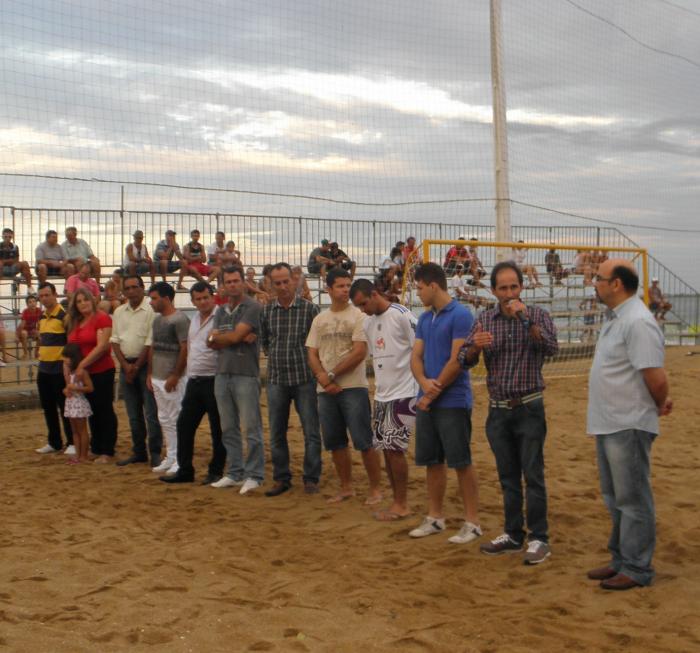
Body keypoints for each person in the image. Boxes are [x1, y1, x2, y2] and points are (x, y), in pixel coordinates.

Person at [459, 261, 558, 564]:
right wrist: (475, 347)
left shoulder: (538, 315)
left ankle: (539, 538)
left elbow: (552, 349)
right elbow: (464, 360)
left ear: (521, 287)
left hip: (529, 406)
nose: (509, 292)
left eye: (513, 286)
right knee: (507, 476)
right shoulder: (484, 320)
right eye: (502, 288)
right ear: (493, 290)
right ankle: (514, 534)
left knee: (533, 475)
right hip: (498, 410)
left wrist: (527, 321)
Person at [586, 259, 672, 591]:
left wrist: (657, 403)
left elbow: (655, 375)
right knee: (614, 496)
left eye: (599, 278)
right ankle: (622, 559)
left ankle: (637, 567)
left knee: (632, 497)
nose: (595, 283)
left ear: (617, 284)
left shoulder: (637, 321)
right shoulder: (618, 318)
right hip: (610, 423)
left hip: (628, 422)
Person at [408, 263, 481, 544]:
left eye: (419, 287)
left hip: (452, 400)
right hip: (428, 399)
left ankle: (472, 522)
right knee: (432, 461)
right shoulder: (426, 318)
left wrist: (430, 392)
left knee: (461, 461)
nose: (418, 292)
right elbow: (416, 357)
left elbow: (457, 360)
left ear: (433, 285)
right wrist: (424, 384)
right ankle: (435, 517)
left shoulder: (461, 315)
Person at [306, 268, 382, 505]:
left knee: (363, 440)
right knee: (335, 441)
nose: (345, 290)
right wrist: (322, 378)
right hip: (326, 390)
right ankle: (346, 487)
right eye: (340, 286)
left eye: (348, 285)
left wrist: (329, 375)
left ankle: (375, 489)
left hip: (353, 387)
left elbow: (360, 352)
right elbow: (312, 352)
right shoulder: (320, 319)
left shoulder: (359, 316)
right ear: (328, 289)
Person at [351, 279, 418, 521]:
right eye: (358, 306)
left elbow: (420, 348)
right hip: (381, 393)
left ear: (375, 293)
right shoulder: (368, 323)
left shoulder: (402, 315)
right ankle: (396, 501)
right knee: (386, 450)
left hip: (405, 391)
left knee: (395, 450)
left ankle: (402, 504)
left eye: (364, 303)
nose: (362, 309)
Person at [260, 263, 322, 496]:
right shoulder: (266, 311)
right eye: (278, 283)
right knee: (276, 432)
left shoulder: (309, 310)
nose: (283, 286)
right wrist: (276, 357)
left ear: (294, 280)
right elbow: (265, 341)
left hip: (305, 378)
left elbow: (317, 345)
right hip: (276, 379)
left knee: (311, 431)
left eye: (286, 281)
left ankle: (311, 478)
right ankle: (282, 477)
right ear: (271, 284)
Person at [160, 281, 226, 485]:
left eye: (206, 297)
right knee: (184, 425)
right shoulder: (194, 318)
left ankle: (216, 471)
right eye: (198, 299)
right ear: (193, 301)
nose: (203, 301)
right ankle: (185, 470)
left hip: (214, 379)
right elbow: (190, 348)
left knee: (218, 429)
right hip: (195, 380)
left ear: (213, 296)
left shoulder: (221, 317)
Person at [208, 266, 265, 495]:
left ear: (243, 282)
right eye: (228, 282)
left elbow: (228, 337)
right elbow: (210, 341)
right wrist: (231, 337)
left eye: (235, 281)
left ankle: (255, 474)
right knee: (228, 426)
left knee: (251, 427)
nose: (232, 285)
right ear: (222, 285)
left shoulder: (253, 307)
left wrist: (226, 337)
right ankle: (235, 472)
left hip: (245, 373)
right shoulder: (221, 310)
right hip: (222, 372)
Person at [111, 275, 162, 468]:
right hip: (127, 365)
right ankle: (139, 451)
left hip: (145, 366)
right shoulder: (118, 312)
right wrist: (125, 365)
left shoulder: (151, 311)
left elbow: (150, 342)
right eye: (128, 288)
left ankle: (155, 452)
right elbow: (114, 340)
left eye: (135, 287)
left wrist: (135, 366)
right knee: (133, 414)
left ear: (142, 288)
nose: (131, 291)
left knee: (151, 412)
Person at [66, 287, 118, 463]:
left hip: (101, 370)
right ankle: (96, 447)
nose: (82, 304)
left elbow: (102, 346)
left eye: (85, 299)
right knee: (91, 411)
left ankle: (107, 450)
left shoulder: (102, 318)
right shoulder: (76, 321)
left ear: (92, 300)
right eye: (79, 301)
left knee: (104, 410)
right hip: (83, 374)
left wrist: (82, 365)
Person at [147, 282, 189, 476]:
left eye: (154, 298)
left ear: (166, 298)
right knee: (164, 418)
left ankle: (180, 459)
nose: (152, 302)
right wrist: (150, 373)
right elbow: (153, 348)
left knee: (175, 418)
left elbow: (185, 348)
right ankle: (171, 456)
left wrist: (175, 374)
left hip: (173, 378)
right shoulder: (157, 321)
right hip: (158, 375)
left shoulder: (180, 319)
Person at [34, 283, 74, 454]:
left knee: (65, 407)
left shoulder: (64, 316)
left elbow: (71, 343)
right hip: (44, 369)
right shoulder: (42, 318)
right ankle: (54, 441)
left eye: (47, 295)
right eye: (41, 296)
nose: (44, 298)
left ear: (55, 294)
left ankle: (72, 442)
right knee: (48, 407)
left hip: (59, 369)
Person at [61, 343, 94, 465]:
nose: (64, 360)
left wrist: (75, 388)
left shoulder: (82, 372)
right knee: (74, 431)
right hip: (71, 403)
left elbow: (90, 388)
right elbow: (67, 388)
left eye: (67, 357)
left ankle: (83, 456)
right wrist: (66, 390)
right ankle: (78, 455)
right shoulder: (70, 372)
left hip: (79, 403)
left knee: (82, 430)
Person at [16, 295, 42, 359]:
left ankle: (36, 352)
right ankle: (25, 353)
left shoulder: (39, 311)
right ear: (27, 304)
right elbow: (21, 325)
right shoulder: (25, 311)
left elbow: (40, 323)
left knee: (40, 334)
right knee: (24, 333)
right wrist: (16, 336)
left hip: (32, 330)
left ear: (36, 303)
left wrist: (38, 331)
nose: (32, 303)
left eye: (34, 301)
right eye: (30, 302)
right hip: (24, 330)